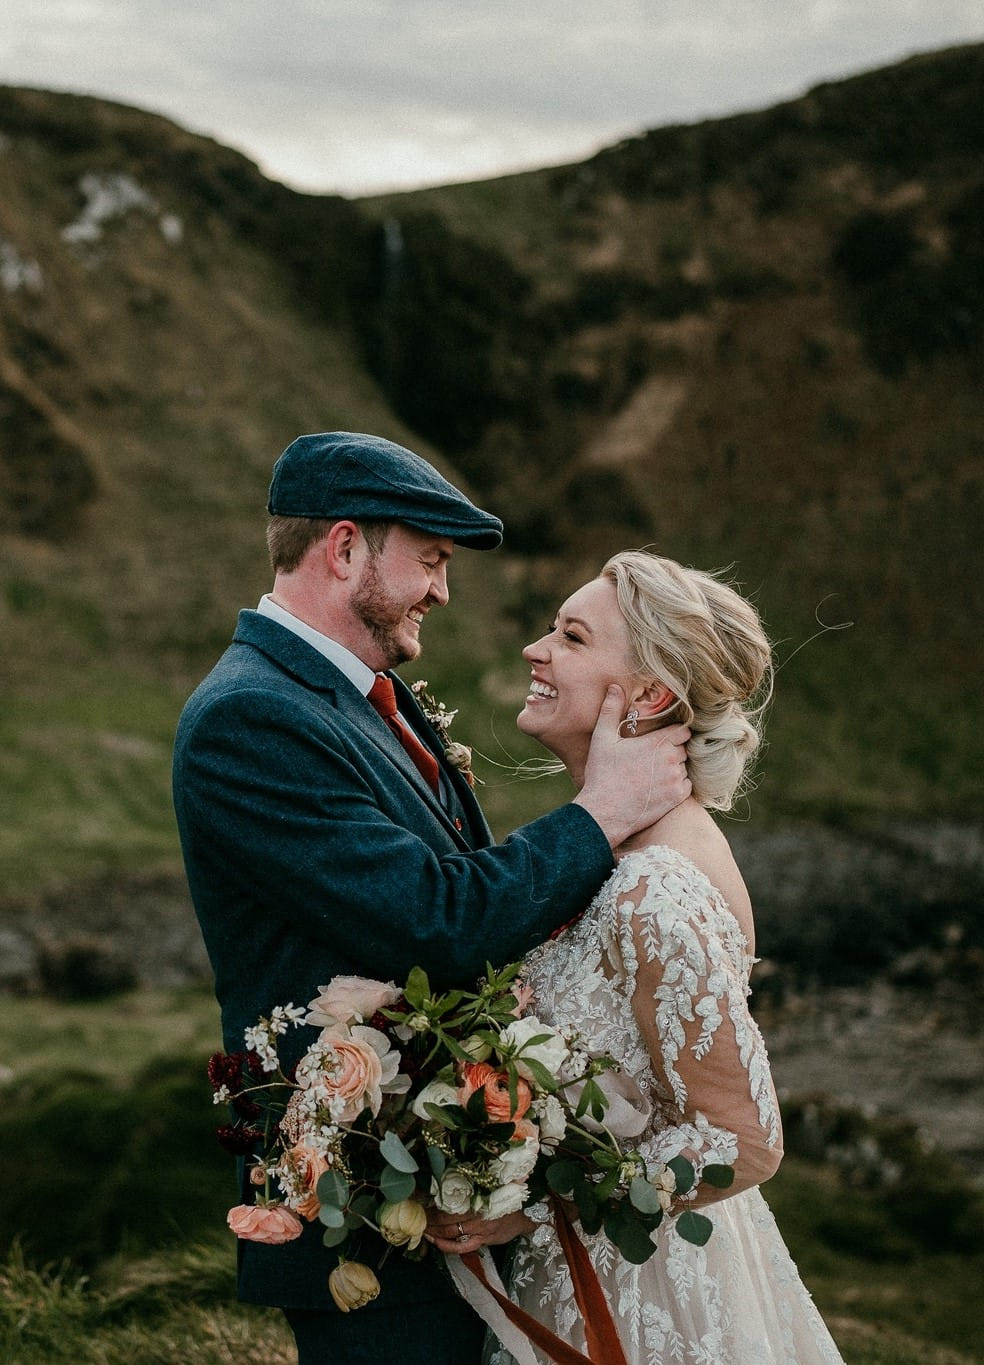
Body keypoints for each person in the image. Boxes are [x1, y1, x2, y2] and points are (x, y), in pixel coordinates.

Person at [172, 434, 693, 1365]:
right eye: (431, 560)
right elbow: (437, 920)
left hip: (446, 1195)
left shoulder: (378, 699)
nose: (442, 592)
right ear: (344, 548)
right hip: (366, 1222)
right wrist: (603, 810)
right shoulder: (249, 718)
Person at [431, 550, 845, 1364]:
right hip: (584, 1266)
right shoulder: (609, 851)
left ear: (652, 694)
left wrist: (542, 1203)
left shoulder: (657, 885)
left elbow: (744, 1141)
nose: (534, 650)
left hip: (647, 1288)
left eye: (572, 637)